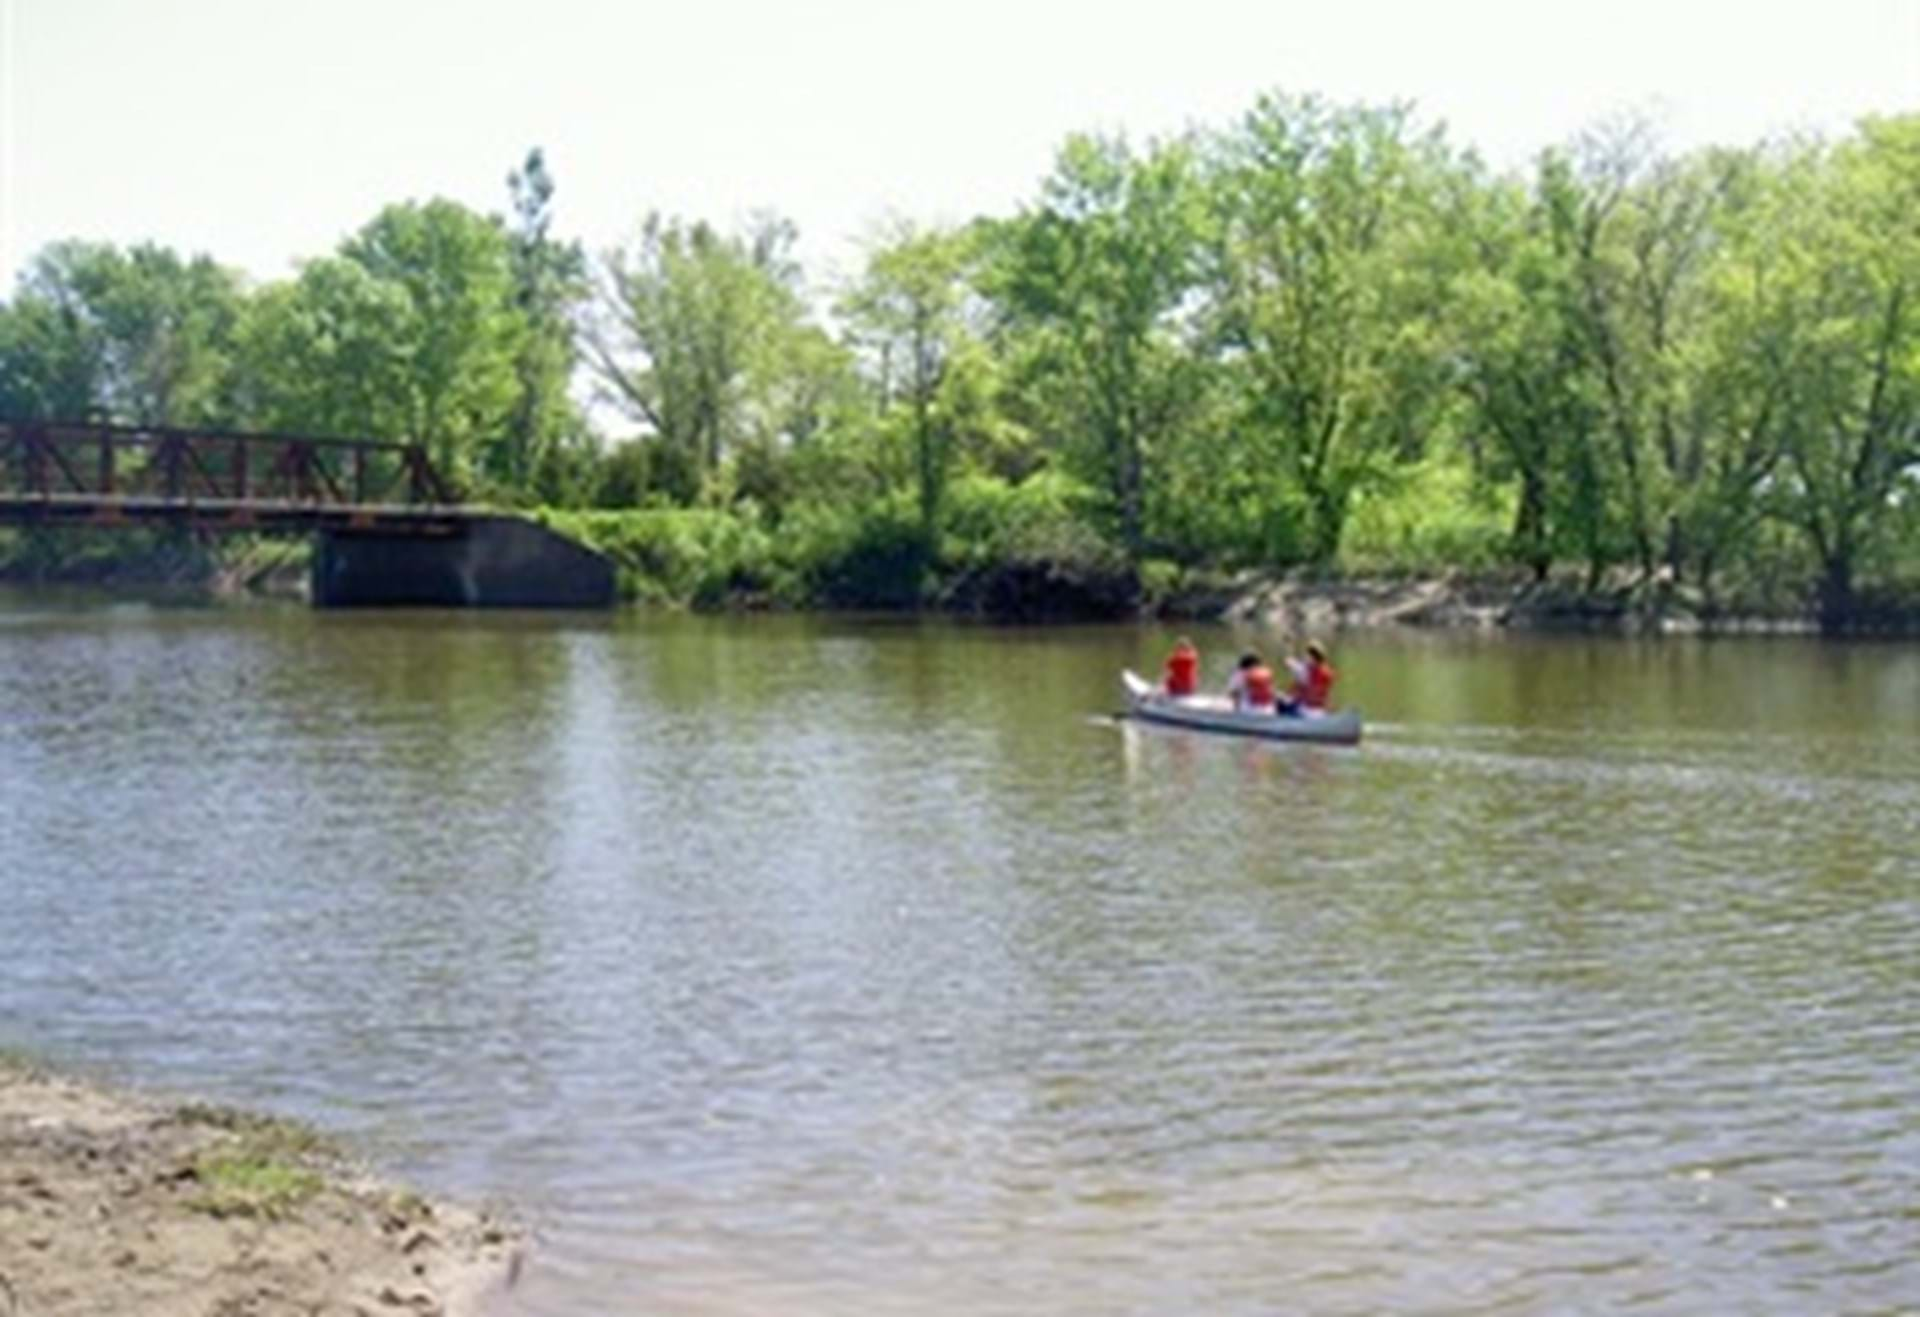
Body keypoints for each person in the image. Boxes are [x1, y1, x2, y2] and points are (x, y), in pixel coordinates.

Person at [1277, 639, 1336, 716]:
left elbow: (1289, 663)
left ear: (1312, 657)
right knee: (1287, 700)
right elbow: (1328, 695)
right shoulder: (1327, 671)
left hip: (1306, 710)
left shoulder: (1306, 671)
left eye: (1307, 655)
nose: (1306, 657)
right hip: (1321, 710)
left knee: (1279, 703)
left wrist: (1288, 648)